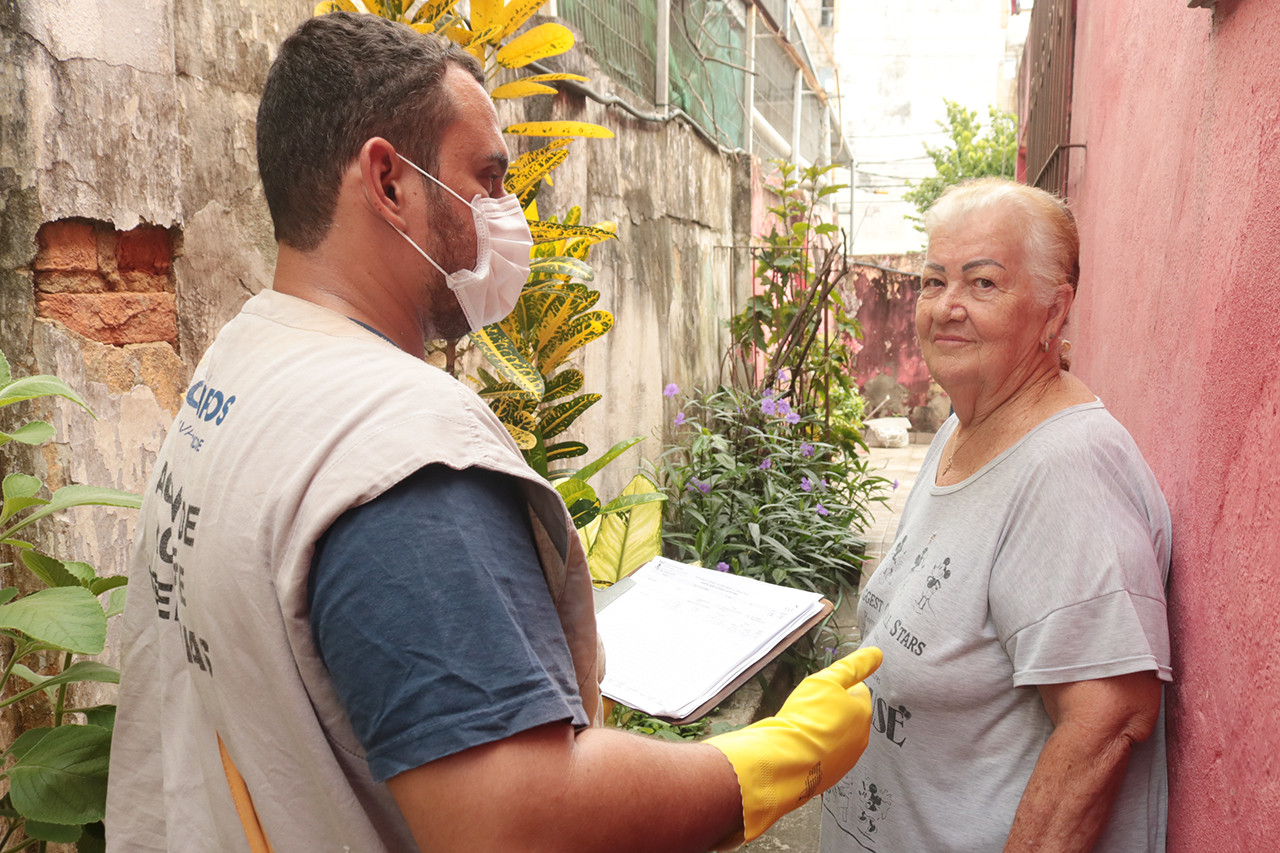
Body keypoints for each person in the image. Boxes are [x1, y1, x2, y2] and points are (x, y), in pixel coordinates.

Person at [105, 12, 881, 852]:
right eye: (489, 178)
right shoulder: (400, 444)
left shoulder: (245, 358)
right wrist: (769, 763)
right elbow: (513, 824)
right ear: (389, 182)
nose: (511, 215)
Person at [820, 178, 1172, 853]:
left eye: (982, 283)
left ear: (1053, 311)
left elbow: (1106, 720)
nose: (947, 306)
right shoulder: (964, 427)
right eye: (932, 280)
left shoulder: (1068, 468)